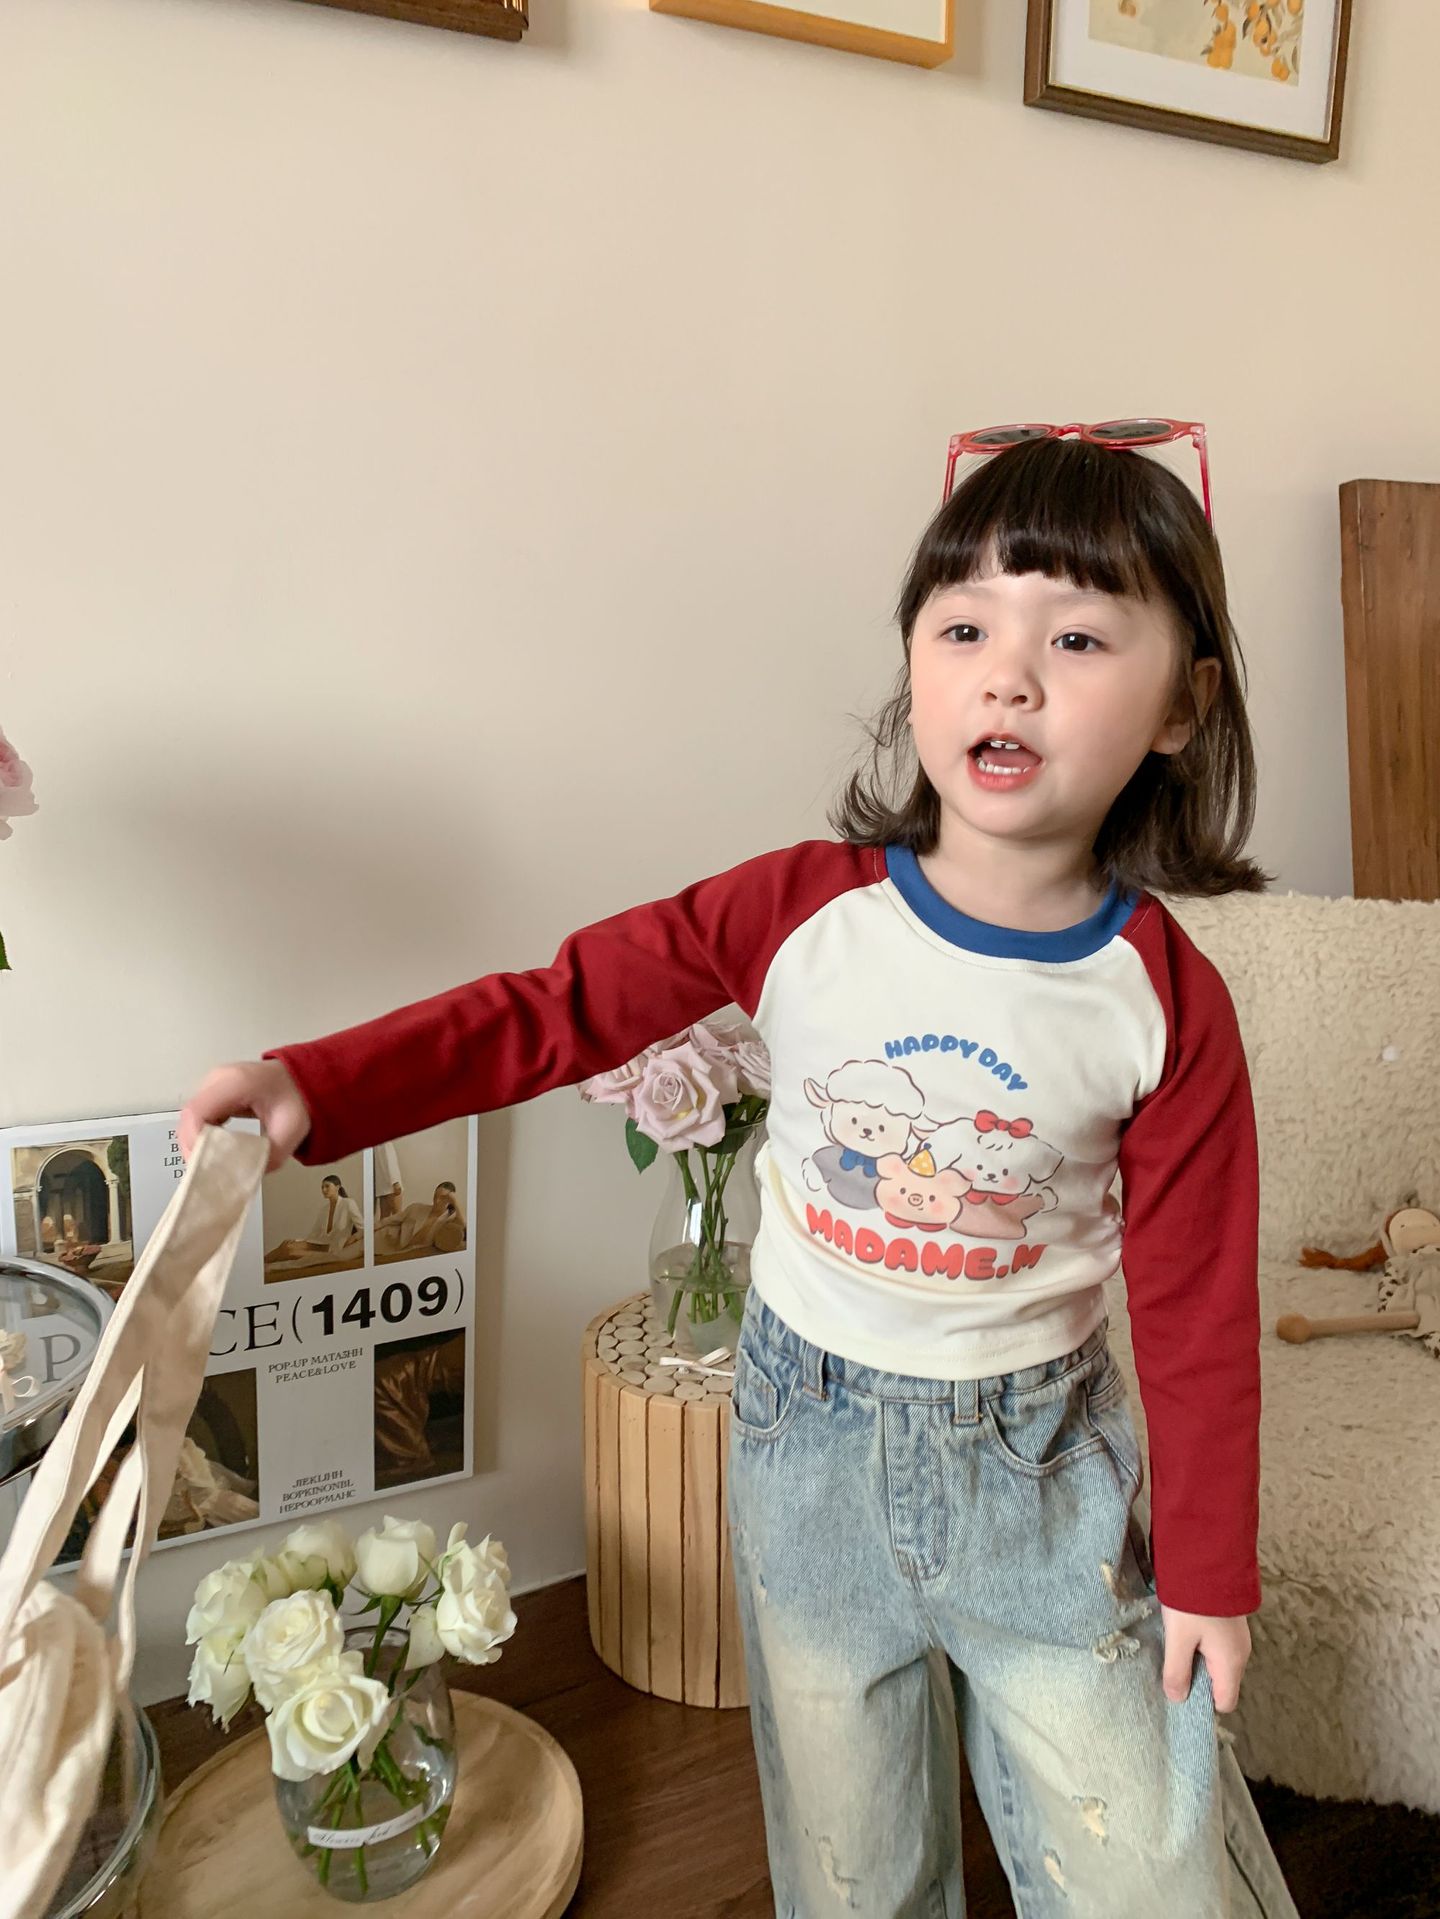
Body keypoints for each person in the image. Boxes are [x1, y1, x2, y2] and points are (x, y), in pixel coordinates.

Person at [181, 431, 1298, 1917]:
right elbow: (556, 1007)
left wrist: (1211, 1568)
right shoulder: (795, 913)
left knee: (1146, 1867)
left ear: (1185, 704)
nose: (1010, 677)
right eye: (965, 628)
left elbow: (1203, 1297)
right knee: (850, 1862)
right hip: (805, 1446)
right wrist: (320, 1084)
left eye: (1079, 638)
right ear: (915, 666)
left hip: (1040, 1474)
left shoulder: (1163, 999)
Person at [263, 1173, 362, 1265]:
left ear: (337, 1187)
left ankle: (262, 1264)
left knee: (290, 1251)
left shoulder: (348, 1203)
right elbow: (314, 1234)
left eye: (327, 1186)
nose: (324, 1190)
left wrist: (353, 1238)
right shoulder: (324, 1210)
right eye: (322, 1187)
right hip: (321, 1243)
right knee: (286, 1244)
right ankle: (262, 1262)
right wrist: (297, 1240)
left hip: (333, 1247)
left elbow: (363, 1228)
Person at [374, 1181, 466, 1256]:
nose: (437, 1201)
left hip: (409, 1252)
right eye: (435, 1196)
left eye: (442, 1198)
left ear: (450, 1200)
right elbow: (389, 1220)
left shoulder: (448, 1220)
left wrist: (455, 1201)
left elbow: (463, 1225)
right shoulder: (417, 1208)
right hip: (389, 1239)